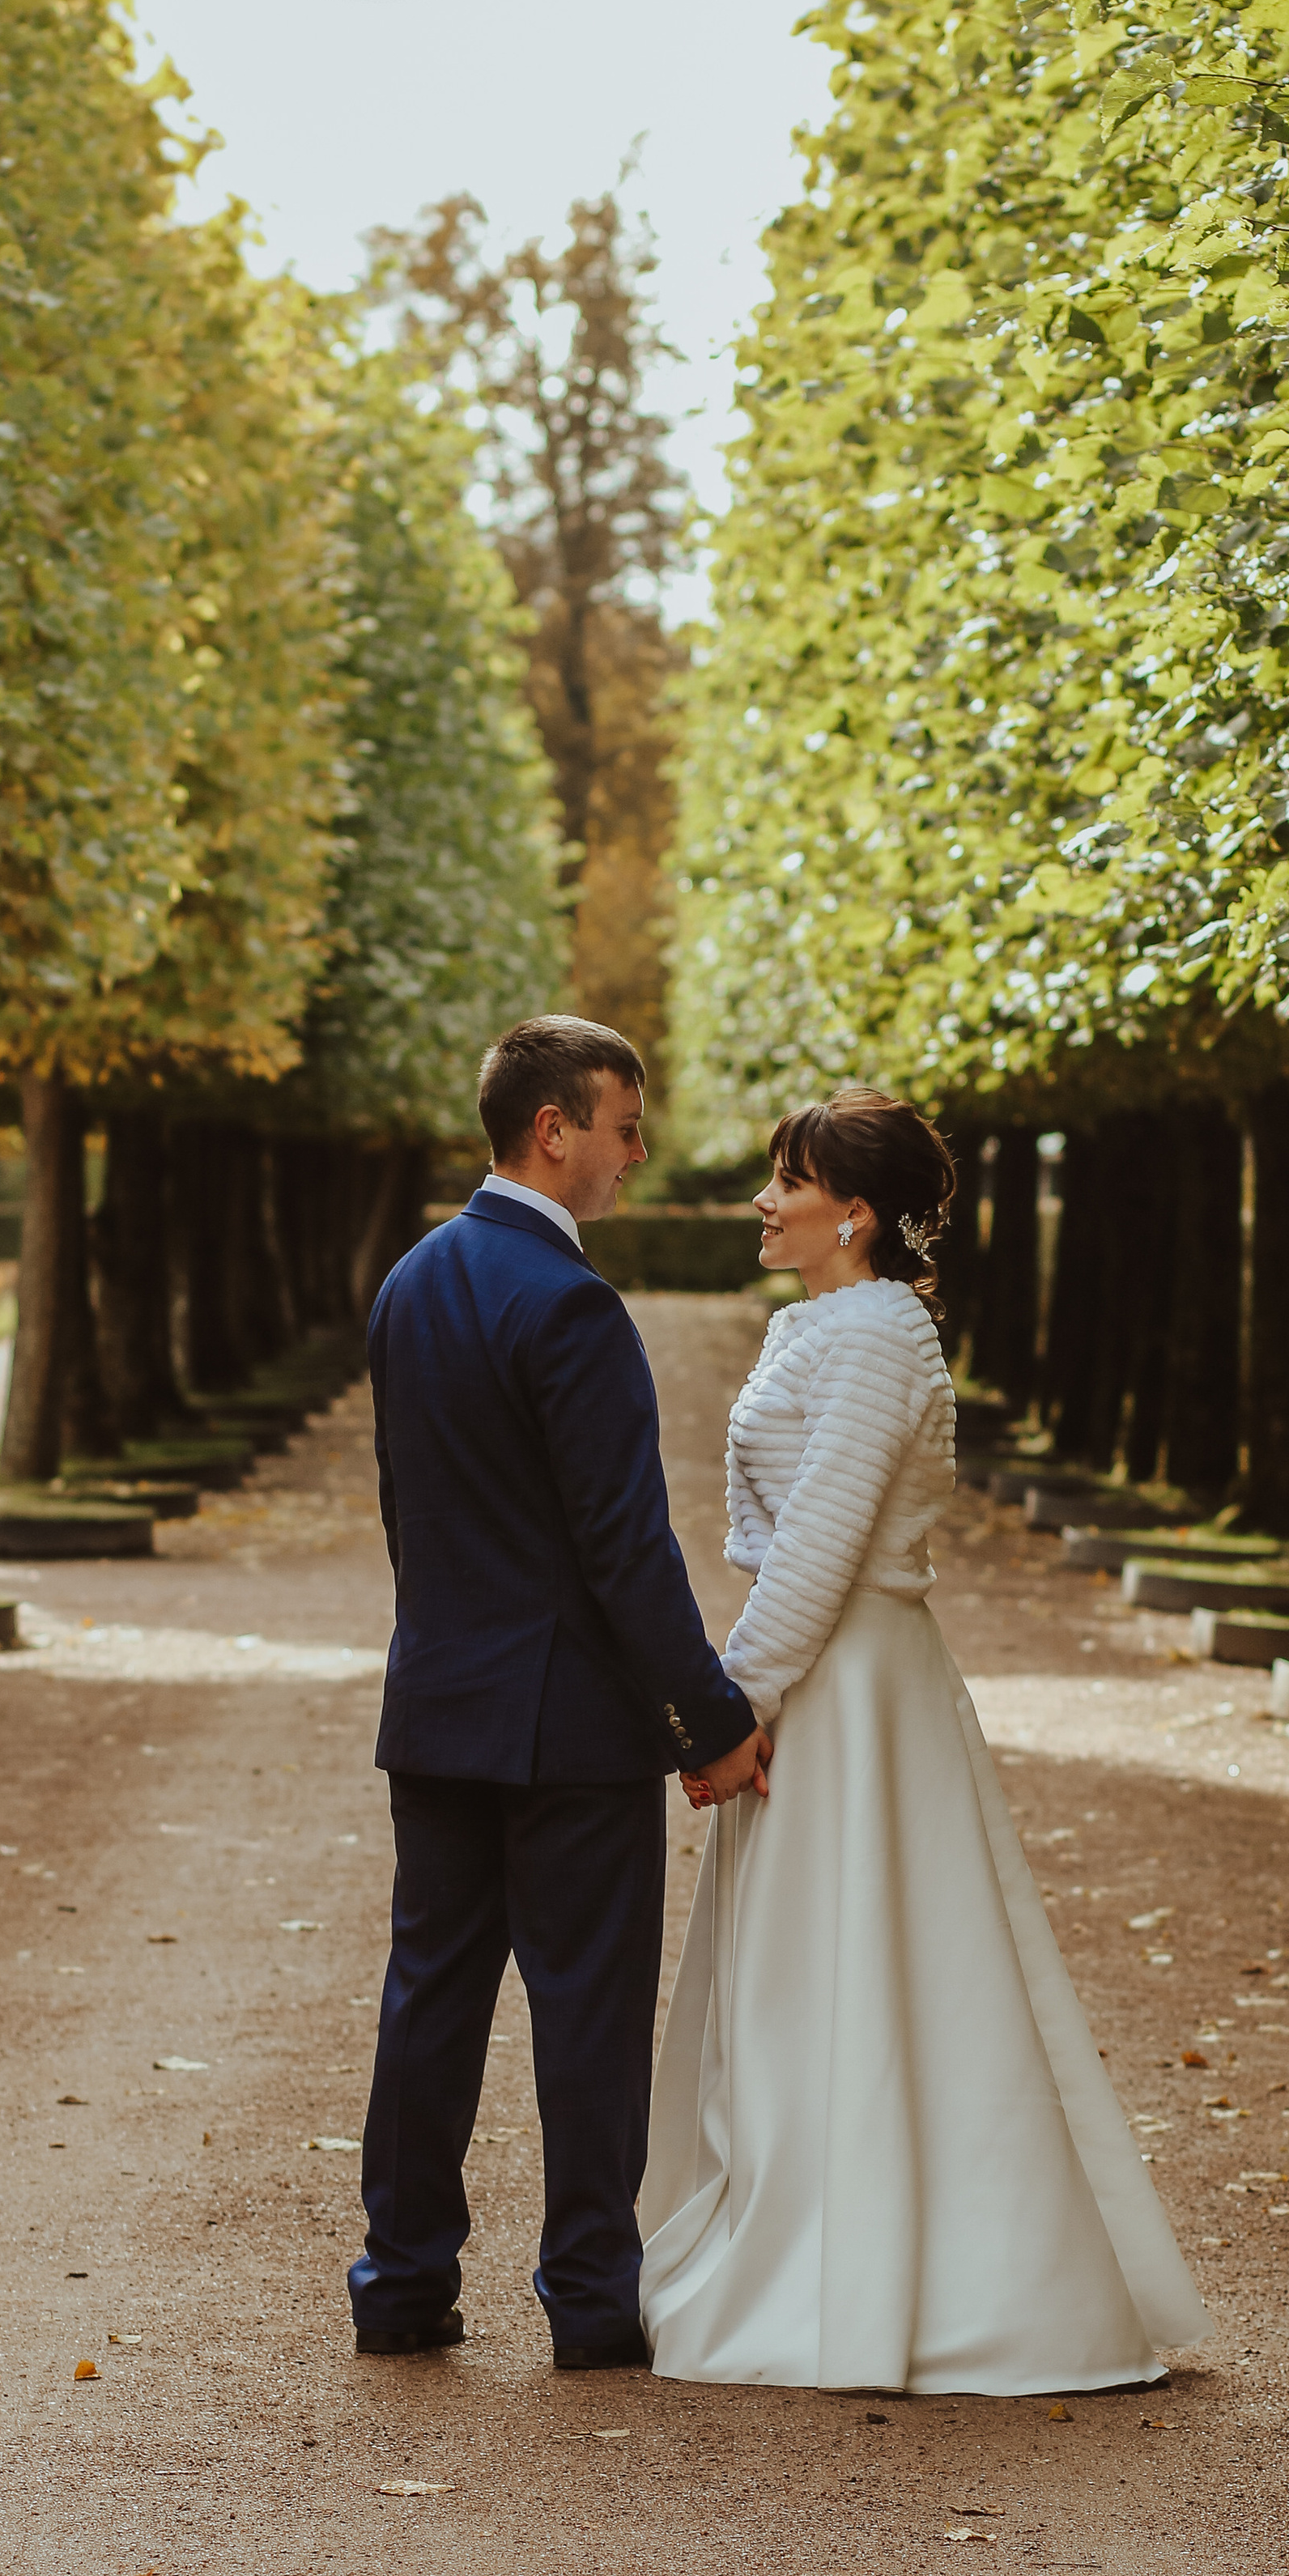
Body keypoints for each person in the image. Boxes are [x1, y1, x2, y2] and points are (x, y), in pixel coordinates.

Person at [639, 1086, 1209, 2393]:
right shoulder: (825, 1324)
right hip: (828, 1674)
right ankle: (806, 2232)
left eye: (790, 1179)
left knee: (866, 1959)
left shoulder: (880, 1337)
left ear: (858, 1212)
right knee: (811, 1966)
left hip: (850, 1686)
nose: (765, 1199)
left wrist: (735, 1709)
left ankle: (881, 2274)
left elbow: (829, 1545)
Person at [352, 1014, 770, 2372]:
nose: (636, 1155)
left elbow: (407, 1514)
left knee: (429, 2002)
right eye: (625, 1128)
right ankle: (592, 2303)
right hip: (574, 1731)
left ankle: (402, 2286)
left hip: (441, 1707)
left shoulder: (410, 1282)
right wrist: (711, 1718)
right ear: (555, 1130)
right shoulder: (575, 1306)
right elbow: (624, 1549)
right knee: (588, 2017)